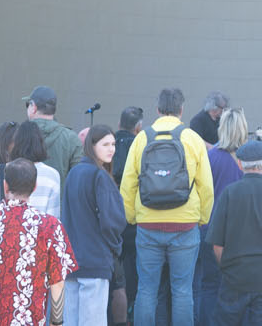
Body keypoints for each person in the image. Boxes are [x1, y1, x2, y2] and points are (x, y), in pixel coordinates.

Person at [119, 89, 214, 326]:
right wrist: (202, 218)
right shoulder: (192, 138)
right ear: (182, 110)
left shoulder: (142, 138)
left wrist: (132, 217)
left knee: (147, 290)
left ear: (158, 110)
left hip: (148, 224)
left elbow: (127, 184)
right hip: (184, 225)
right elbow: (206, 187)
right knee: (182, 291)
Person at [0, 161, 73, 326]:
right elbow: (57, 281)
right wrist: (56, 322)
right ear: (35, 187)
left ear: (5, 185)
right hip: (28, 318)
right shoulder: (49, 226)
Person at [205, 143, 262, 326]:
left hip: (235, 278)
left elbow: (217, 245)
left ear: (240, 164)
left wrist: (227, 269)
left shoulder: (228, 194)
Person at [62, 129, 125, 326]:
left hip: (71, 261)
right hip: (95, 260)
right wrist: (115, 247)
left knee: (71, 320)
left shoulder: (73, 173)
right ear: (92, 145)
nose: (111, 149)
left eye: (113, 144)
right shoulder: (100, 176)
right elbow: (113, 221)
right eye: (105, 144)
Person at [197, 111, 251, 326]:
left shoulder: (211, 157)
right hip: (244, 234)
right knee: (243, 288)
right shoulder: (250, 159)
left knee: (209, 286)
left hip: (211, 231)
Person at [22, 93, 79, 183]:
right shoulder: (71, 137)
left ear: (34, 107)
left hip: (23, 196)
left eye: (28, 105)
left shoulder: (19, 135)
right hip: (59, 196)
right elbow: (78, 177)